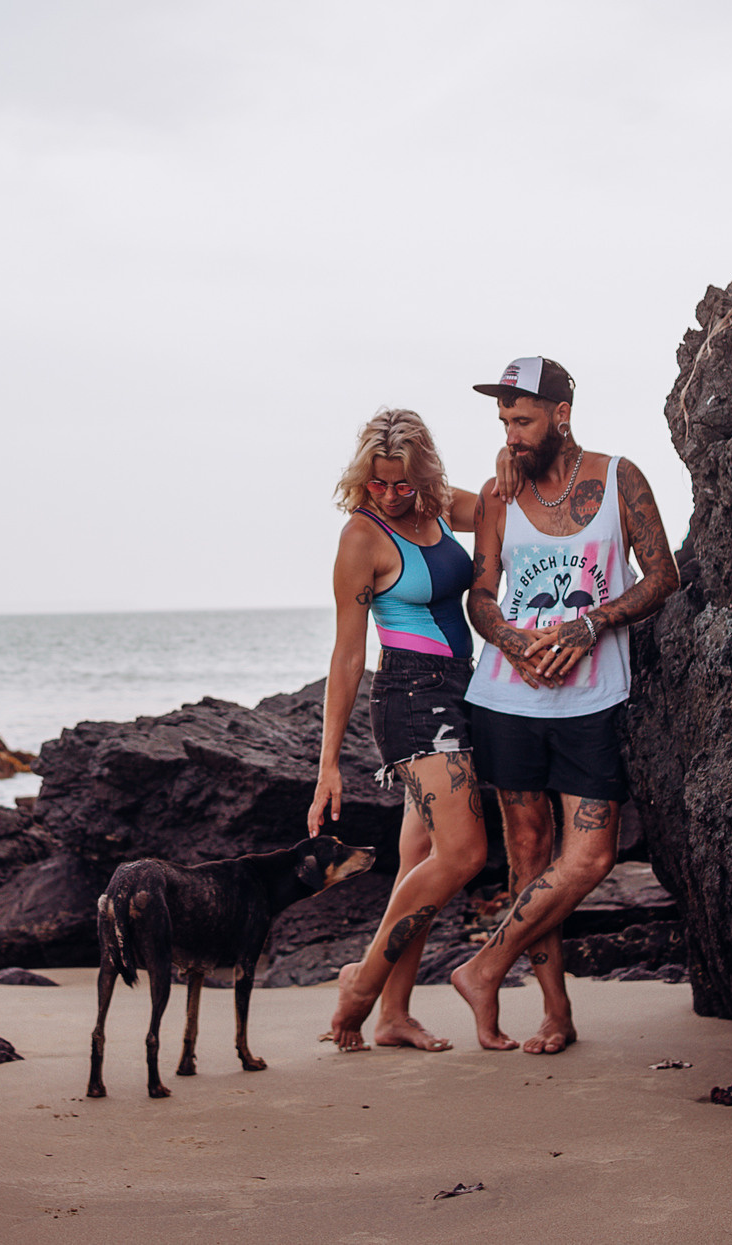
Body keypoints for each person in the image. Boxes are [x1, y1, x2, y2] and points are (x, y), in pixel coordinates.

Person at [449, 356, 679, 1053]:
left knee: (590, 856)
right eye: (505, 422)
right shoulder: (499, 493)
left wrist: (592, 622)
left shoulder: (619, 478)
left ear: (561, 414)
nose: (512, 434)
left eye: (523, 419)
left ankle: (484, 965)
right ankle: (555, 1011)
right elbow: (481, 595)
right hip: (507, 699)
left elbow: (663, 573)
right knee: (527, 856)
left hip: (594, 699)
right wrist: (512, 640)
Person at [307, 408, 484, 1053]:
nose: (389, 494)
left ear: (423, 474)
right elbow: (347, 656)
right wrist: (328, 765)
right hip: (411, 698)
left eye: (401, 483)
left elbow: (505, 505)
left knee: (419, 861)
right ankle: (361, 990)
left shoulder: (437, 508)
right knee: (463, 855)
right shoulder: (362, 536)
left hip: (465, 688)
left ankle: (394, 1015)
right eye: (377, 482)